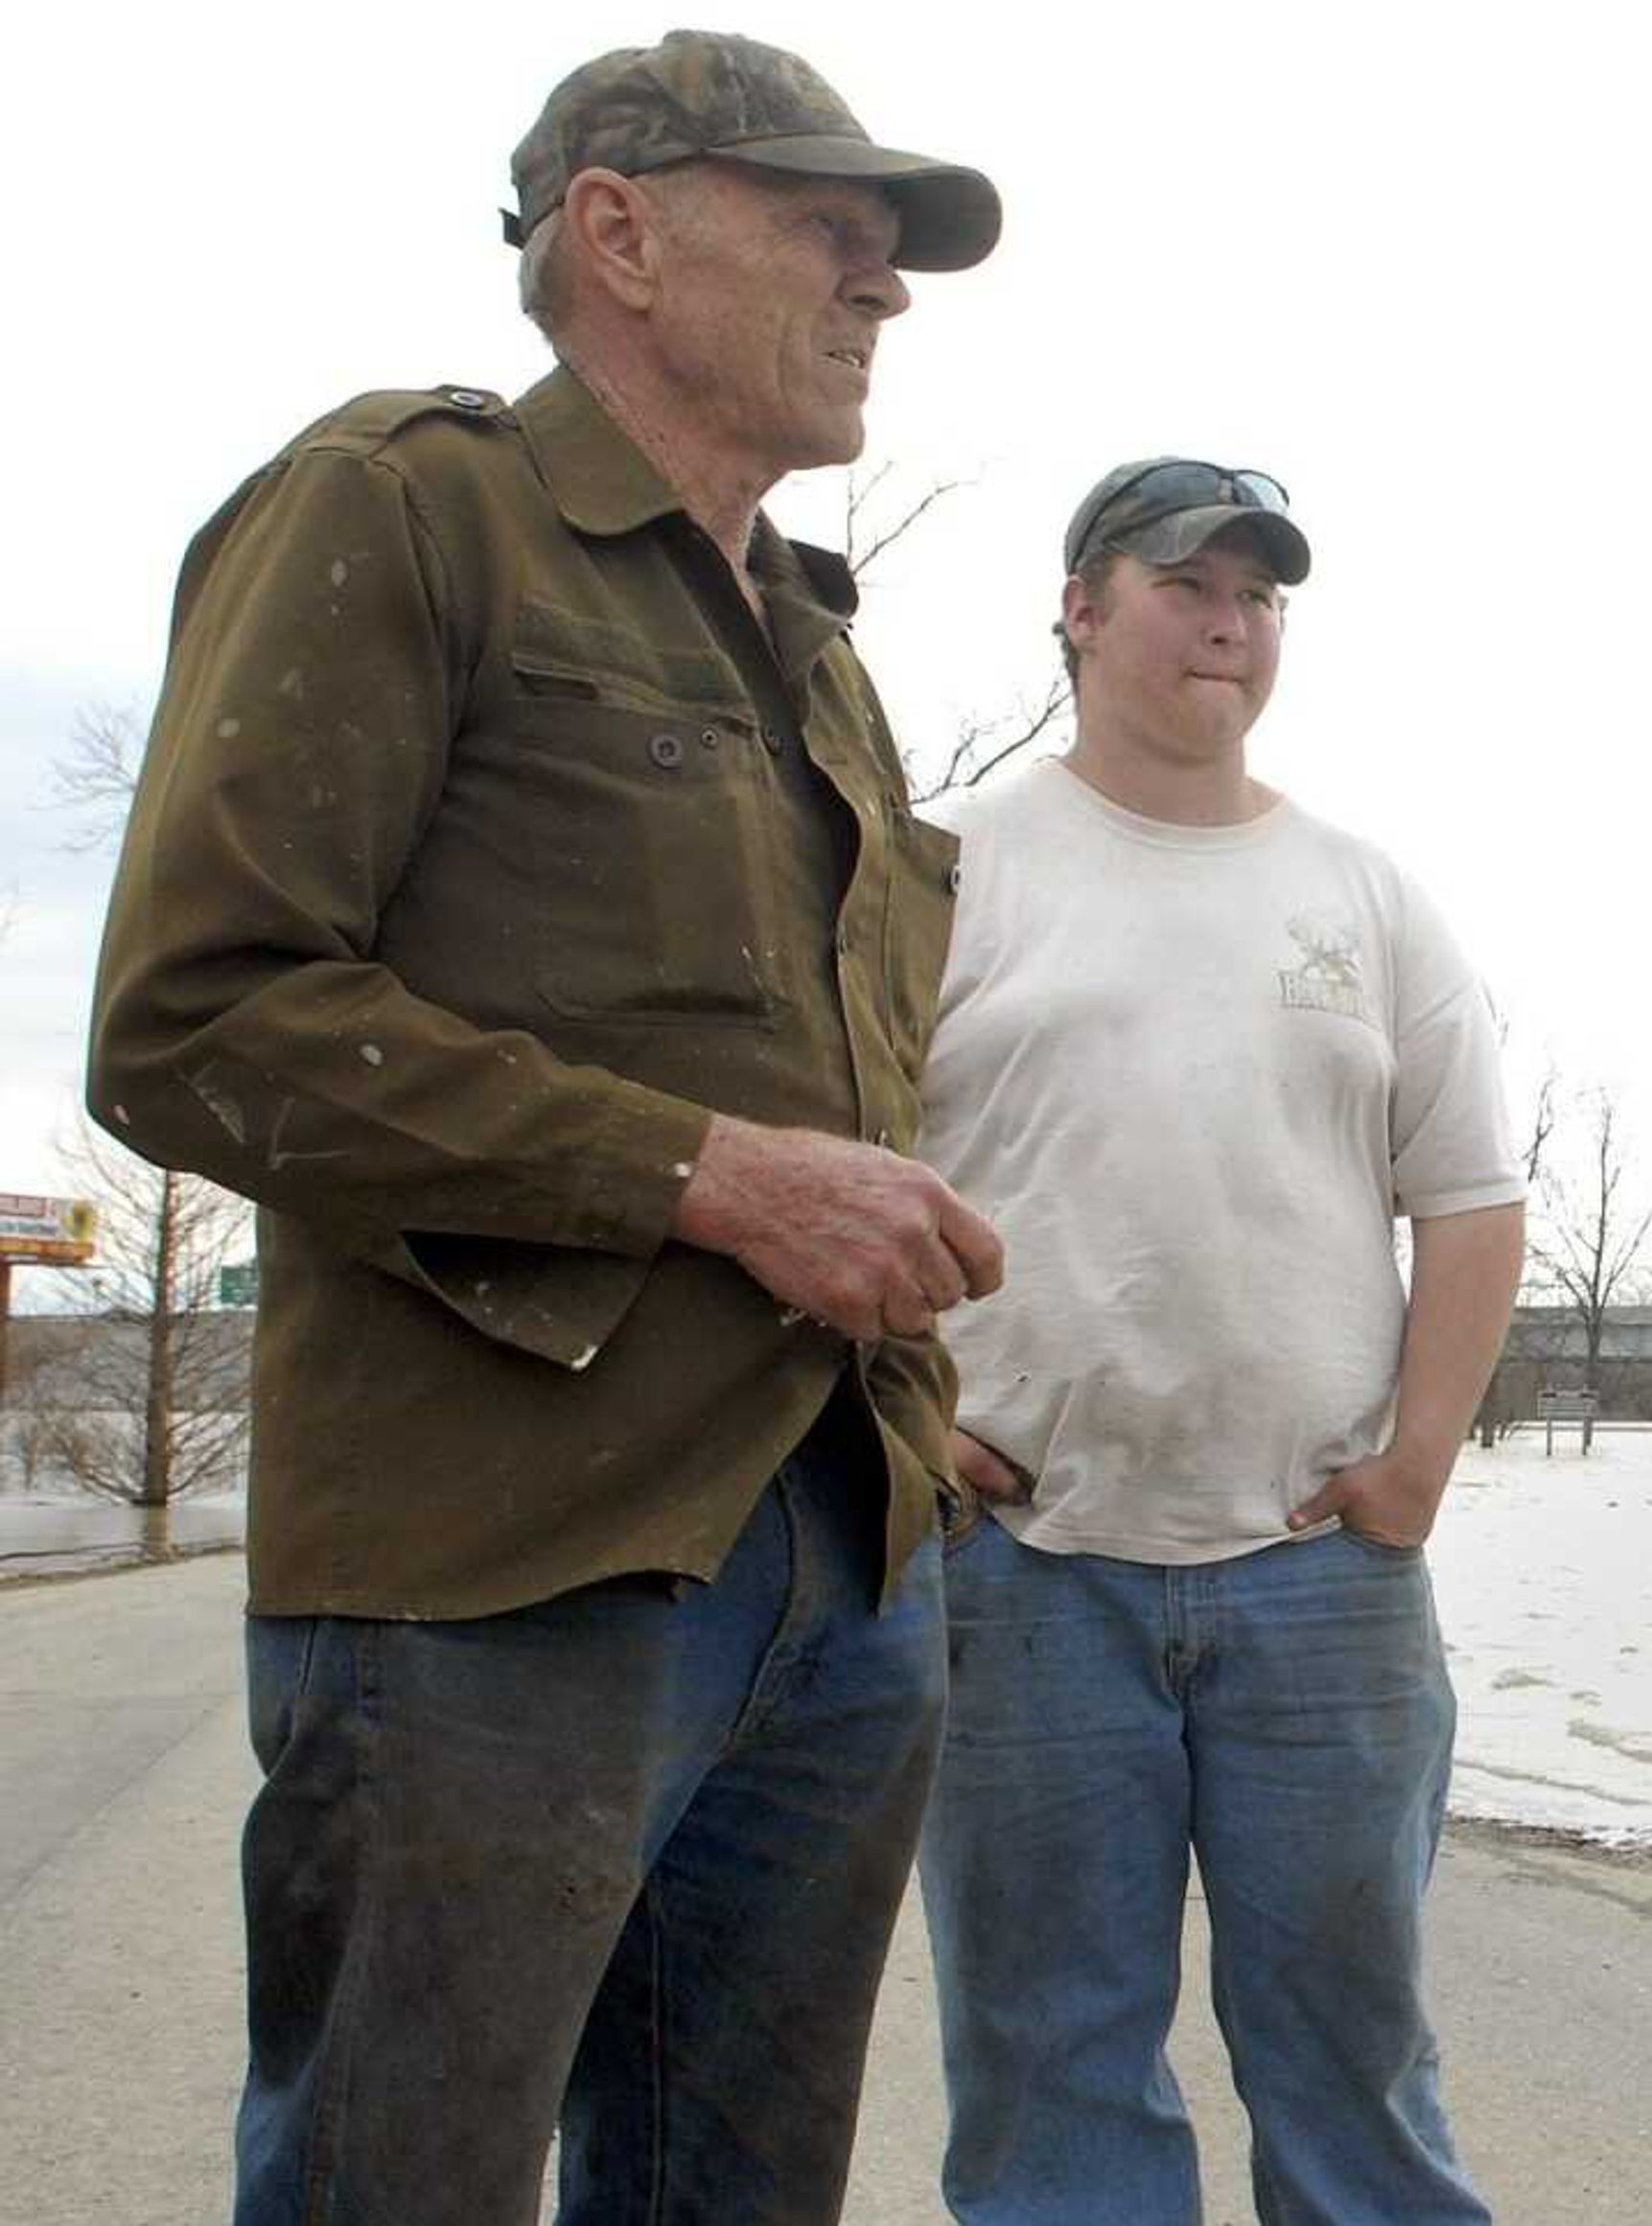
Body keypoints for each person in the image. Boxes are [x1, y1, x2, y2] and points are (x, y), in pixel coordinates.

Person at [85, 31, 1003, 2223]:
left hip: (833, 1573)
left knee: (735, 2192)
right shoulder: (410, 505)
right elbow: (198, 1018)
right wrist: (712, 1180)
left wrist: (915, 1419)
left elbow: (850, 1088)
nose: (881, 290)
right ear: (619, 230)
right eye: (829, 232)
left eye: (892, 257)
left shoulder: (819, 657)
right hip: (493, 1572)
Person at [916, 458, 1527, 2223]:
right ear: (1081, 606)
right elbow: (840, 1170)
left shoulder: (1363, 891)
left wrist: (1415, 1466)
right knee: (1050, 2061)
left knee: (1354, 2055)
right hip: (1022, 1566)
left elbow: (1473, 1197)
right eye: (1189, 580)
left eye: (1260, 595)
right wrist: (903, 1415)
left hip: (1319, 1580)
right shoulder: (947, 861)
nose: (1230, 621)